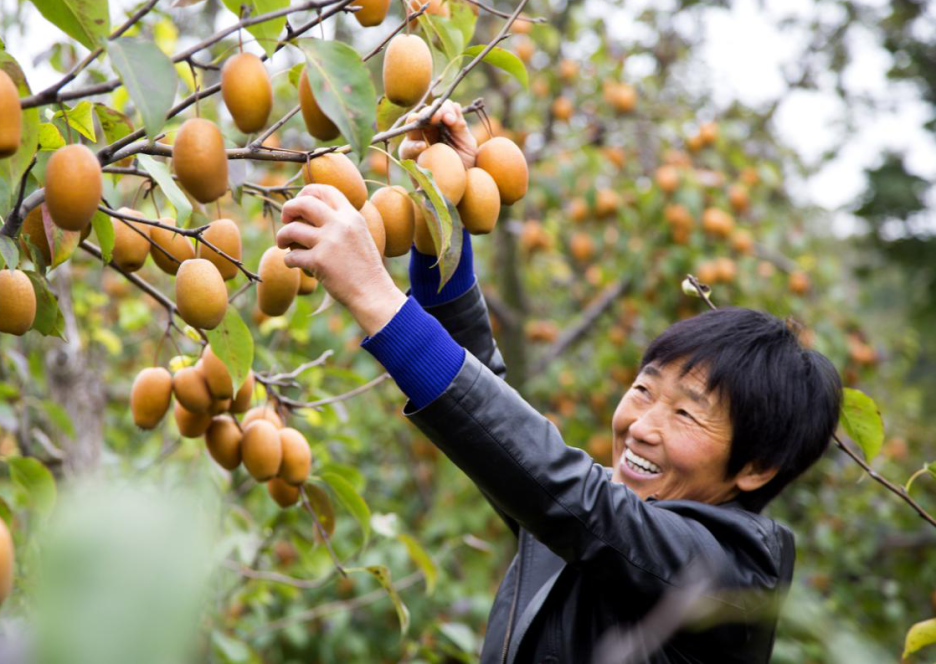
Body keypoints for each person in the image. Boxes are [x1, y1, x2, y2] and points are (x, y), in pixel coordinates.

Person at [274, 101, 843, 663]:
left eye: (686, 413)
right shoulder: (589, 525)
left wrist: (376, 298)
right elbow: (499, 430)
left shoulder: (730, 577)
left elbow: (566, 490)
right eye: (644, 390)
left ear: (756, 467)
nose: (641, 425)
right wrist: (436, 220)